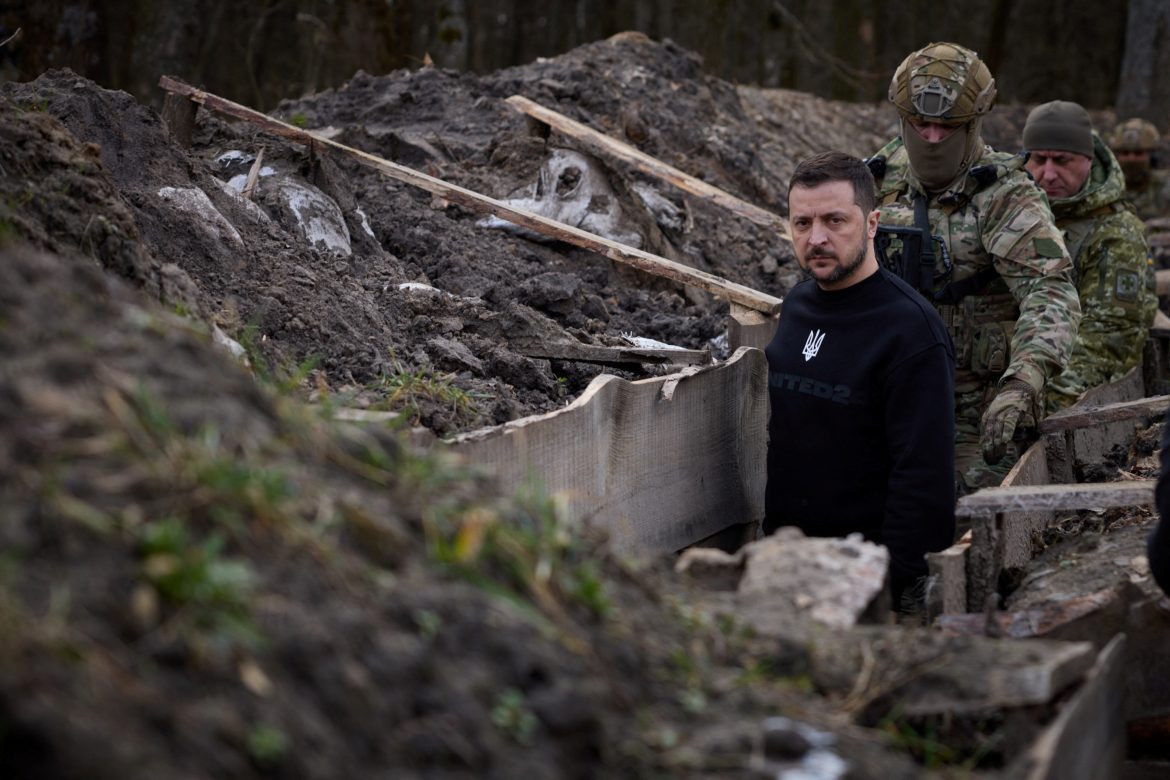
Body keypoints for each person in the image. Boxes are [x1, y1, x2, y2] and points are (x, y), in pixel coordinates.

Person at [867, 42, 1082, 493]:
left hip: (975, 407)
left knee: (959, 517)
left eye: (947, 127)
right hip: (888, 391)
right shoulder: (880, 179)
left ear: (973, 124)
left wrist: (1023, 382)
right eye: (920, 124)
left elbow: (1050, 290)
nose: (931, 138)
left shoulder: (1005, 194)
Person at [763, 151, 956, 615]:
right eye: (802, 223)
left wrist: (888, 584)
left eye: (835, 220)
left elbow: (924, 476)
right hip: (785, 564)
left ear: (872, 224)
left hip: (865, 578)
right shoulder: (797, 306)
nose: (817, 238)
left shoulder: (910, 332)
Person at [1022, 101, 1157, 412]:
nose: (1049, 174)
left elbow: (1109, 341)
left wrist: (1037, 405)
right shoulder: (1011, 213)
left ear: (1088, 159)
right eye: (1038, 160)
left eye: (1062, 160)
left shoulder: (1115, 232)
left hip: (1060, 395)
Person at [1107, 117, 1170, 271]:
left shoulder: (1164, 186)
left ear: (1152, 156)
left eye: (1138, 153)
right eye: (1125, 153)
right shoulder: (1105, 188)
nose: (1131, 159)